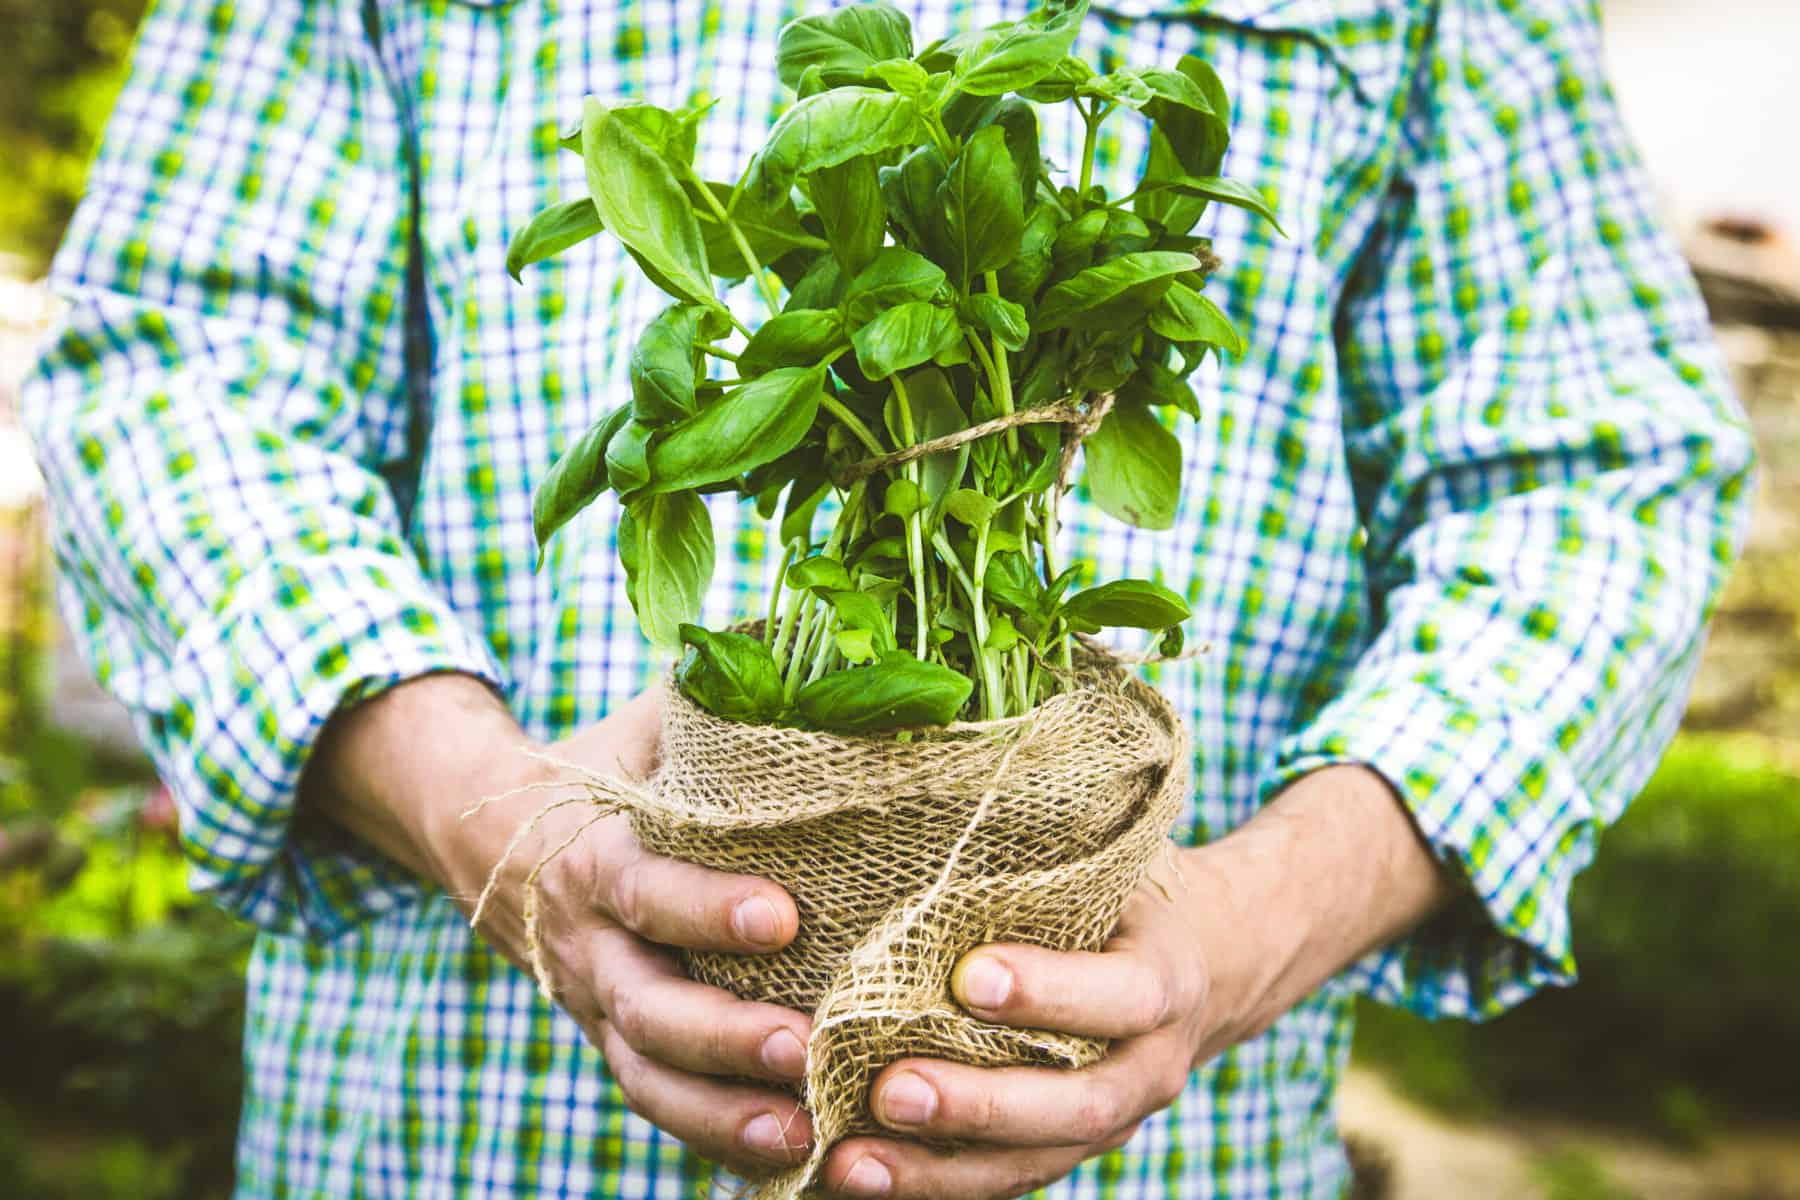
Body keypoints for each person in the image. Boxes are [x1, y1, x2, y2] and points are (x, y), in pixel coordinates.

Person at [22, 0, 1753, 1196]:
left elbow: (1590, 470)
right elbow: (179, 362)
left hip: (1186, 1154)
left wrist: (1245, 932)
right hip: (427, 1143)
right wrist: (495, 820)